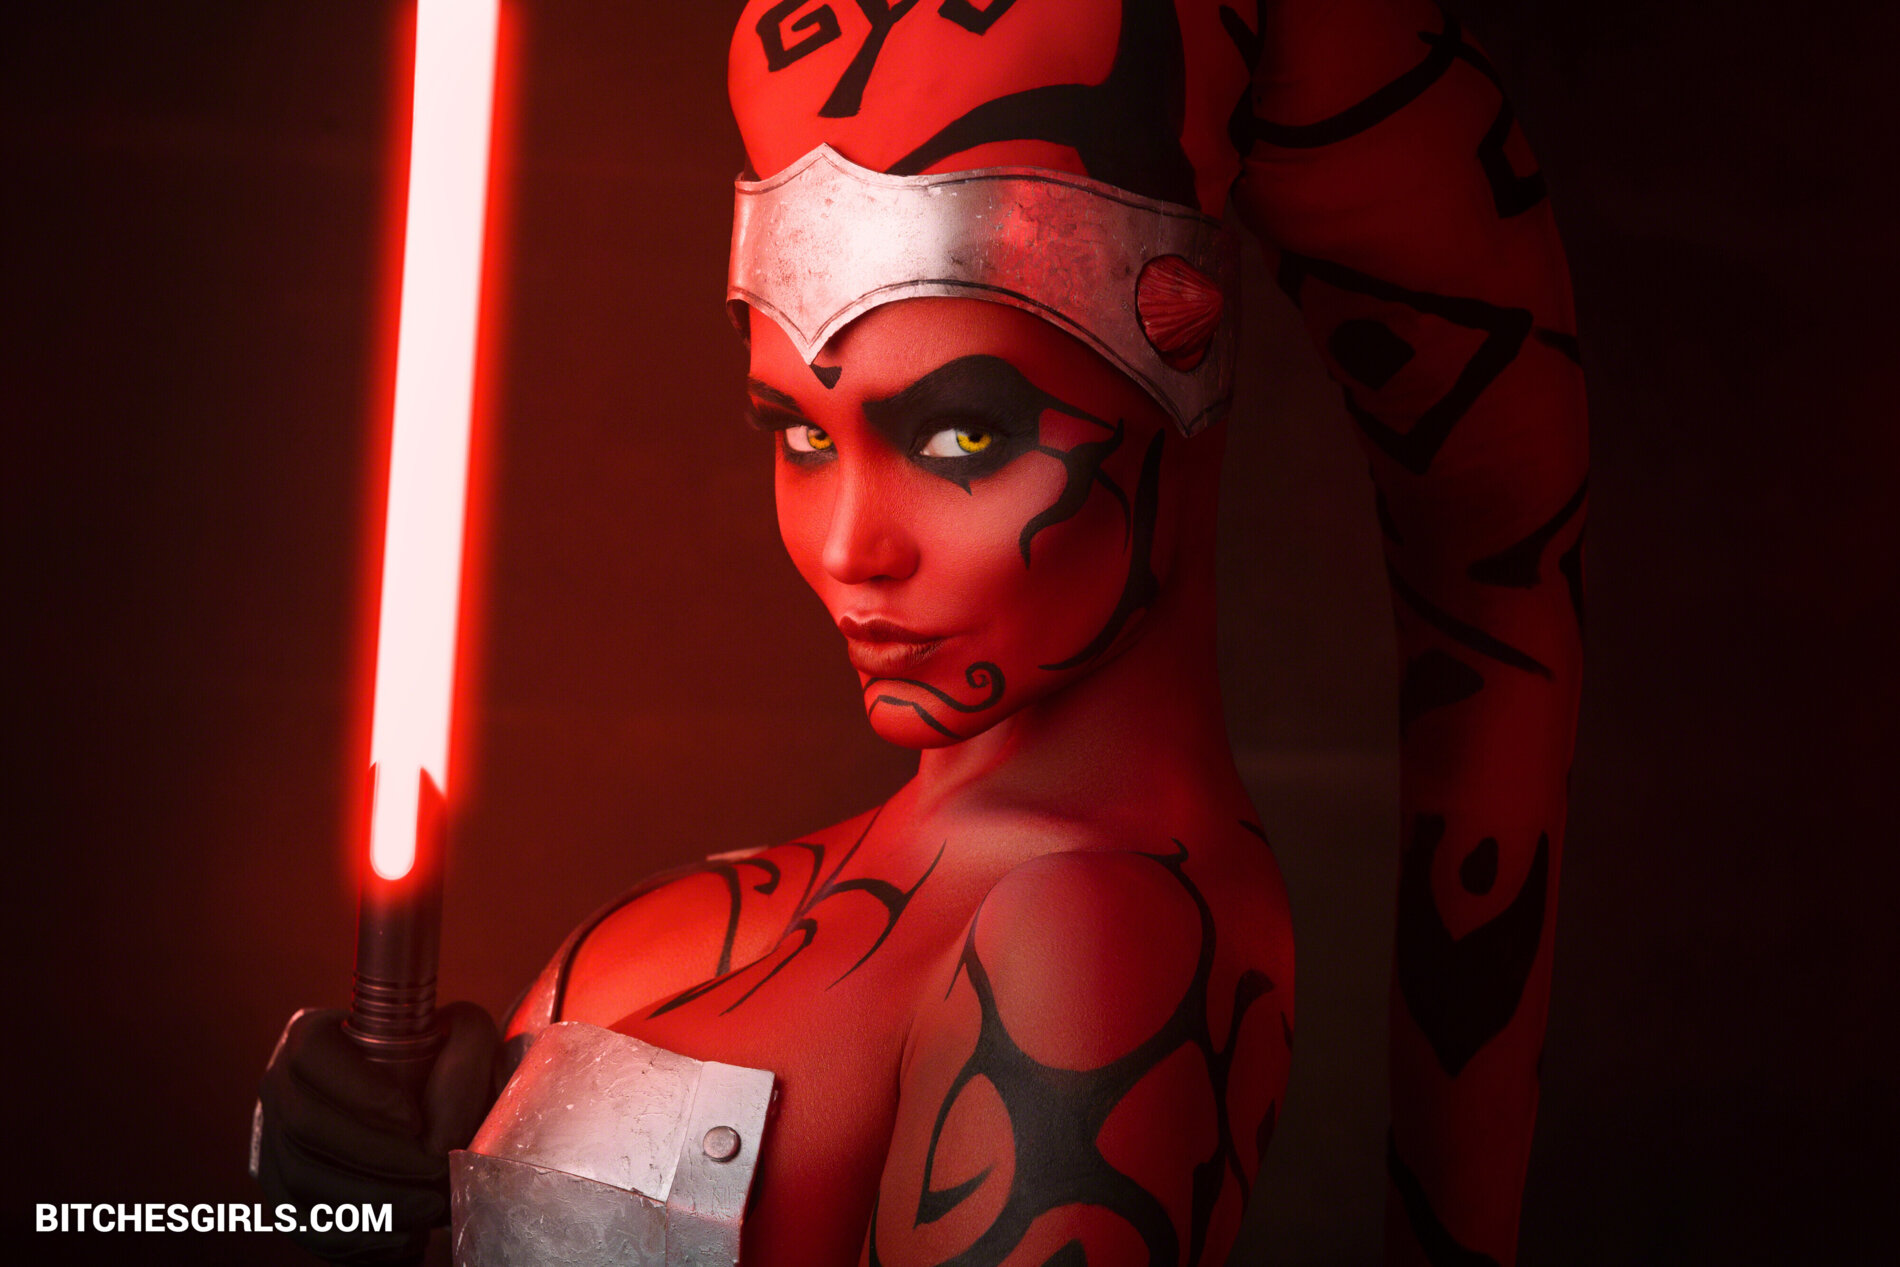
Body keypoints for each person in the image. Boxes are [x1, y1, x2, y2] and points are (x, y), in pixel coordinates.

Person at [256, 2, 1585, 1264]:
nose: (850, 548)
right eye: (801, 435)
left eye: (959, 436)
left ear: (1175, 361)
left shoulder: (1092, 941)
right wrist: (339, 1216)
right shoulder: (701, 922)